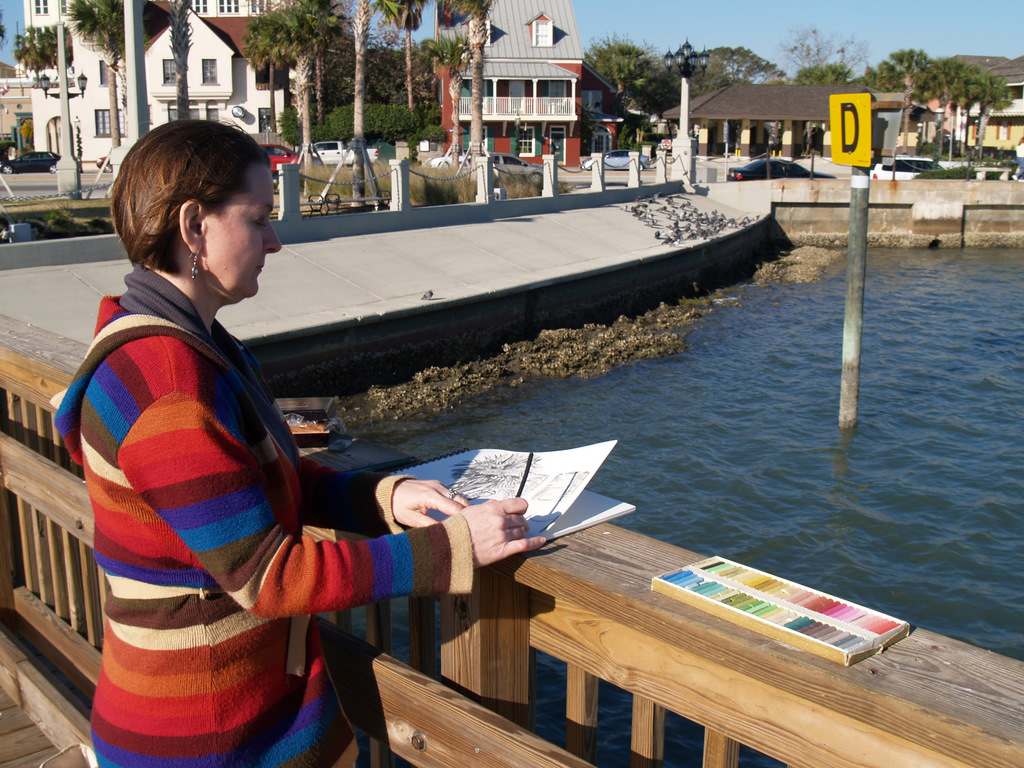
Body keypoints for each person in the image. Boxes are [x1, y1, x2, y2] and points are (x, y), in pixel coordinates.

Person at [53, 120, 545, 768]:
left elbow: (256, 481)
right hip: (206, 738)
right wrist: (451, 548)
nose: (276, 240)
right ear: (194, 227)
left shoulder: (184, 345)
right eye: (257, 219)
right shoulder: (170, 386)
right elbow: (268, 577)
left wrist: (383, 496)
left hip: (222, 711)